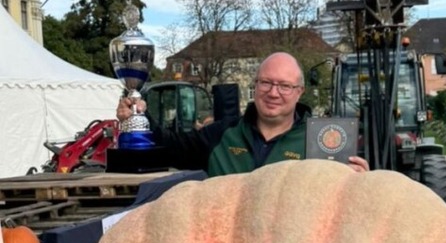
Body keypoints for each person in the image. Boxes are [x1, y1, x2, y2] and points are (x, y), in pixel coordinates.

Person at [116, 52, 369, 176]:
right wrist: (138, 119)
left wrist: (359, 183)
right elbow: (171, 147)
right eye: (266, 83)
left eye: (284, 86)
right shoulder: (222, 135)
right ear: (255, 85)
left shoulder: (319, 142)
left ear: (299, 92)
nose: (273, 92)